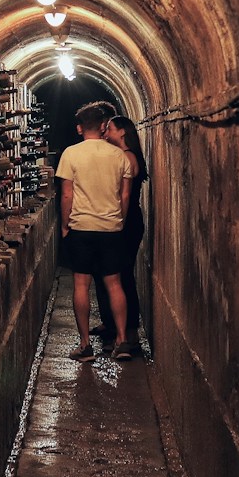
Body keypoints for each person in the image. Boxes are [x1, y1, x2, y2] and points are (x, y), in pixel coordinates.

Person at [54, 101, 135, 361]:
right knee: (114, 283)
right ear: (102, 127)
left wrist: (65, 225)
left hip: (82, 227)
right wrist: (119, 221)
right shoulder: (119, 156)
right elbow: (125, 196)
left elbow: (67, 194)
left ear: (79, 128)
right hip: (111, 227)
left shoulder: (70, 154)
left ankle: (85, 345)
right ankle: (122, 340)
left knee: (81, 283)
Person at [97, 113, 147, 352]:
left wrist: (118, 222)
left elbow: (122, 194)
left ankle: (127, 333)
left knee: (123, 276)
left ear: (122, 132)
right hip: (127, 220)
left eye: (110, 129)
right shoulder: (128, 155)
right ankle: (120, 329)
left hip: (125, 222)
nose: (106, 134)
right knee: (121, 275)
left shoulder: (127, 157)